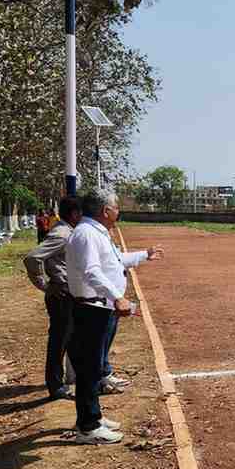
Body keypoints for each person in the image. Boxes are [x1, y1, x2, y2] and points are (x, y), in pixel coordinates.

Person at [66, 189, 164, 444]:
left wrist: (144, 255)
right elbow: (91, 272)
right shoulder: (87, 234)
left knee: (94, 367)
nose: (118, 211)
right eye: (116, 207)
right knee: (89, 369)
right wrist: (117, 297)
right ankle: (88, 427)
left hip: (100, 308)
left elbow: (116, 261)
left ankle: (93, 417)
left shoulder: (97, 232)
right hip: (92, 309)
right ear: (105, 211)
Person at [23, 197, 82, 400]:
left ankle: (65, 380)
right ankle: (55, 386)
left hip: (69, 292)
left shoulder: (68, 232)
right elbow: (33, 257)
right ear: (74, 214)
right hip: (61, 294)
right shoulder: (62, 234)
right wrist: (45, 285)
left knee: (70, 338)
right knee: (59, 340)